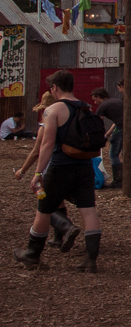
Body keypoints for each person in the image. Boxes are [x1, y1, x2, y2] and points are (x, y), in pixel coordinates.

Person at [14, 71, 103, 272]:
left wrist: (37, 174)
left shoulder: (53, 110)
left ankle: (32, 254)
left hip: (61, 166)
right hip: (84, 165)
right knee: (88, 210)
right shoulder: (85, 107)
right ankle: (90, 260)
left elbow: (46, 144)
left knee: (44, 209)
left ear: (55, 87)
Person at [13, 90, 82, 254]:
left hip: (51, 166)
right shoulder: (71, 118)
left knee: (46, 205)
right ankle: (58, 238)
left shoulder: (46, 125)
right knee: (58, 202)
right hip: (73, 165)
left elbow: (37, 152)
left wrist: (22, 171)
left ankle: (67, 228)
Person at [94, 85, 124, 186]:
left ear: (98, 97)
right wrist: (108, 134)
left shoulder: (103, 106)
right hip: (129, 127)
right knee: (125, 153)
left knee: (113, 154)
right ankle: (125, 177)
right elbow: (118, 120)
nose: (95, 102)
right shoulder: (116, 101)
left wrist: (99, 137)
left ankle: (118, 180)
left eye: (95, 100)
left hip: (121, 129)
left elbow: (97, 123)